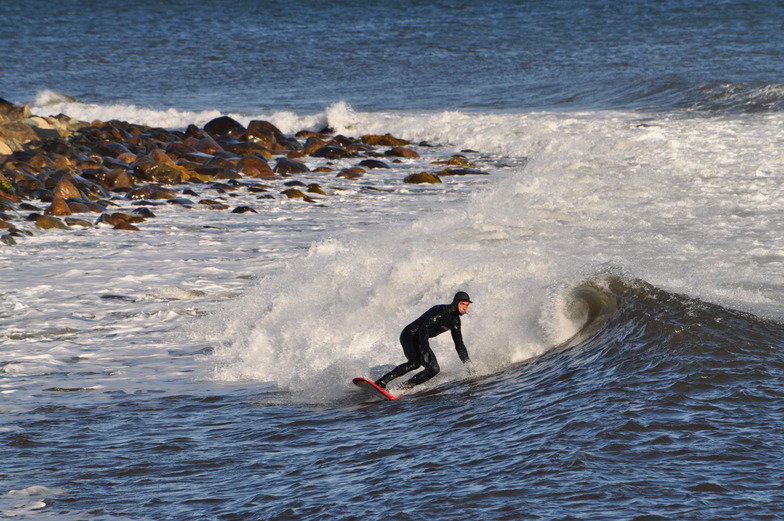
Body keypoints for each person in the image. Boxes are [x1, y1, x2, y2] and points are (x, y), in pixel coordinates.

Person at [375, 291, 472, 389]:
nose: (464, 307)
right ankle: (382, 382)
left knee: (429, 368)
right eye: (462, 304)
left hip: (420, 338)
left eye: (467, 305)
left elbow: (459, 345)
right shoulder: (442, 311)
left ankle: (402, 387)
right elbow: (424, 328)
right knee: (418, 364)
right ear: (455, 303)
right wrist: (425, 348)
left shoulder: (455, 322)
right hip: (409, 335)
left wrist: (467, 364)